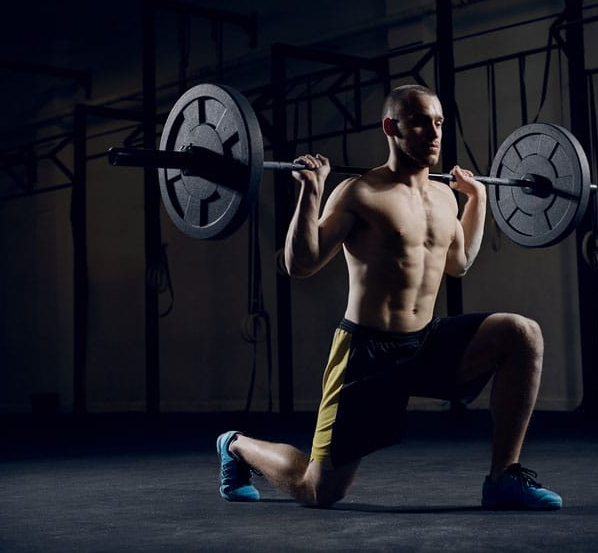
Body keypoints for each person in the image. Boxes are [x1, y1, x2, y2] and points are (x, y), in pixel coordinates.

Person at [216, 84, 562, 510]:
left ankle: (503, 477)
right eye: (419, 121)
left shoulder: (443, 197)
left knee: (521, 333)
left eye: (437, 122)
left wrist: (479, 199)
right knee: (318, 491)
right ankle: (235, 446)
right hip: (367, 352)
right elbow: (299, 264)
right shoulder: (359, 192)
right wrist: (311, 190)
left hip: (425, 343)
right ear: (391, 127)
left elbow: (460, 262)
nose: (433, 132)